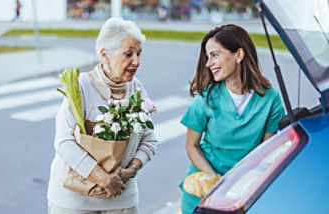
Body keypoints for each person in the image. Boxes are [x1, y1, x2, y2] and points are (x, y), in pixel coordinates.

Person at [47, 17, 158, 214]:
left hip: (121, 199)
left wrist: (129, 171)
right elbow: (64, 142)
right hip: (74, 200)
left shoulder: (137, 89)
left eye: (139, 54)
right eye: (129, 54)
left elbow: (149, 140)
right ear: (105, 55)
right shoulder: (81, 86)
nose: (137, 61)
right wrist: (103, 178)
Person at [179, 24, 285, 214]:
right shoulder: (205, 98)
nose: (208, 63)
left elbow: (265, 152)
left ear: (238, 55)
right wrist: (216, 182)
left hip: (245, 190)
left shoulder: (271, 99)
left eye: (215, 55)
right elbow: (191, 146)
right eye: (207, 57)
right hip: (204, 190)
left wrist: (242, 184)